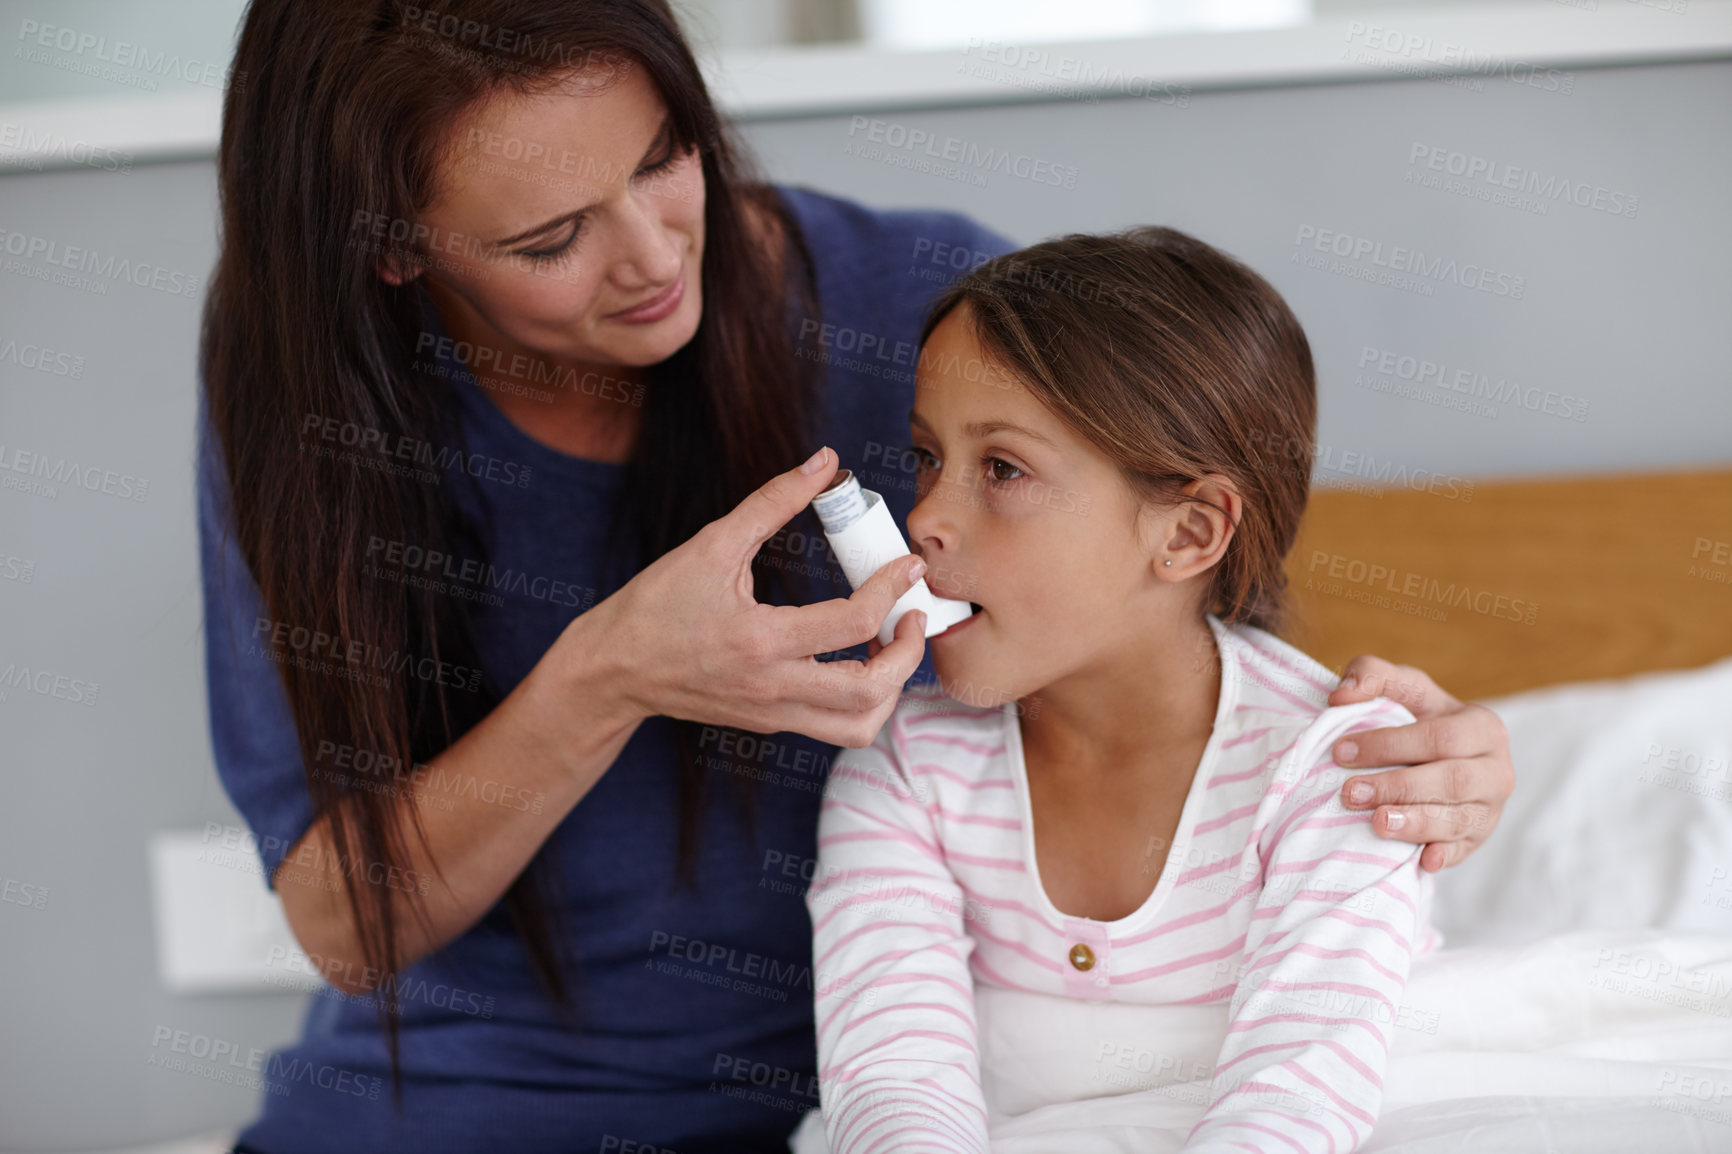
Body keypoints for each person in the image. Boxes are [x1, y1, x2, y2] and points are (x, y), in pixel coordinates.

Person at [197, 3, 1515, 1151]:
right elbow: (344, 919)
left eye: (668, 161)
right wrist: (606, 678)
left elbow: (1162, 613)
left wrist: (1430, 760)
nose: (658, 259)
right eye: (550, 240)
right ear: (394, 249)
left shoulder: (936, 317)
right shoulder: (317, 420)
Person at [804, 228, 1441, 1153]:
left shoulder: (1336, 770)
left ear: (1186, 533)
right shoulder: (904, 769)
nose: (925, 518)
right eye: (927, 458)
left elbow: (1297, 1101)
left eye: (1004, 470)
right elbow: (893, 1078)